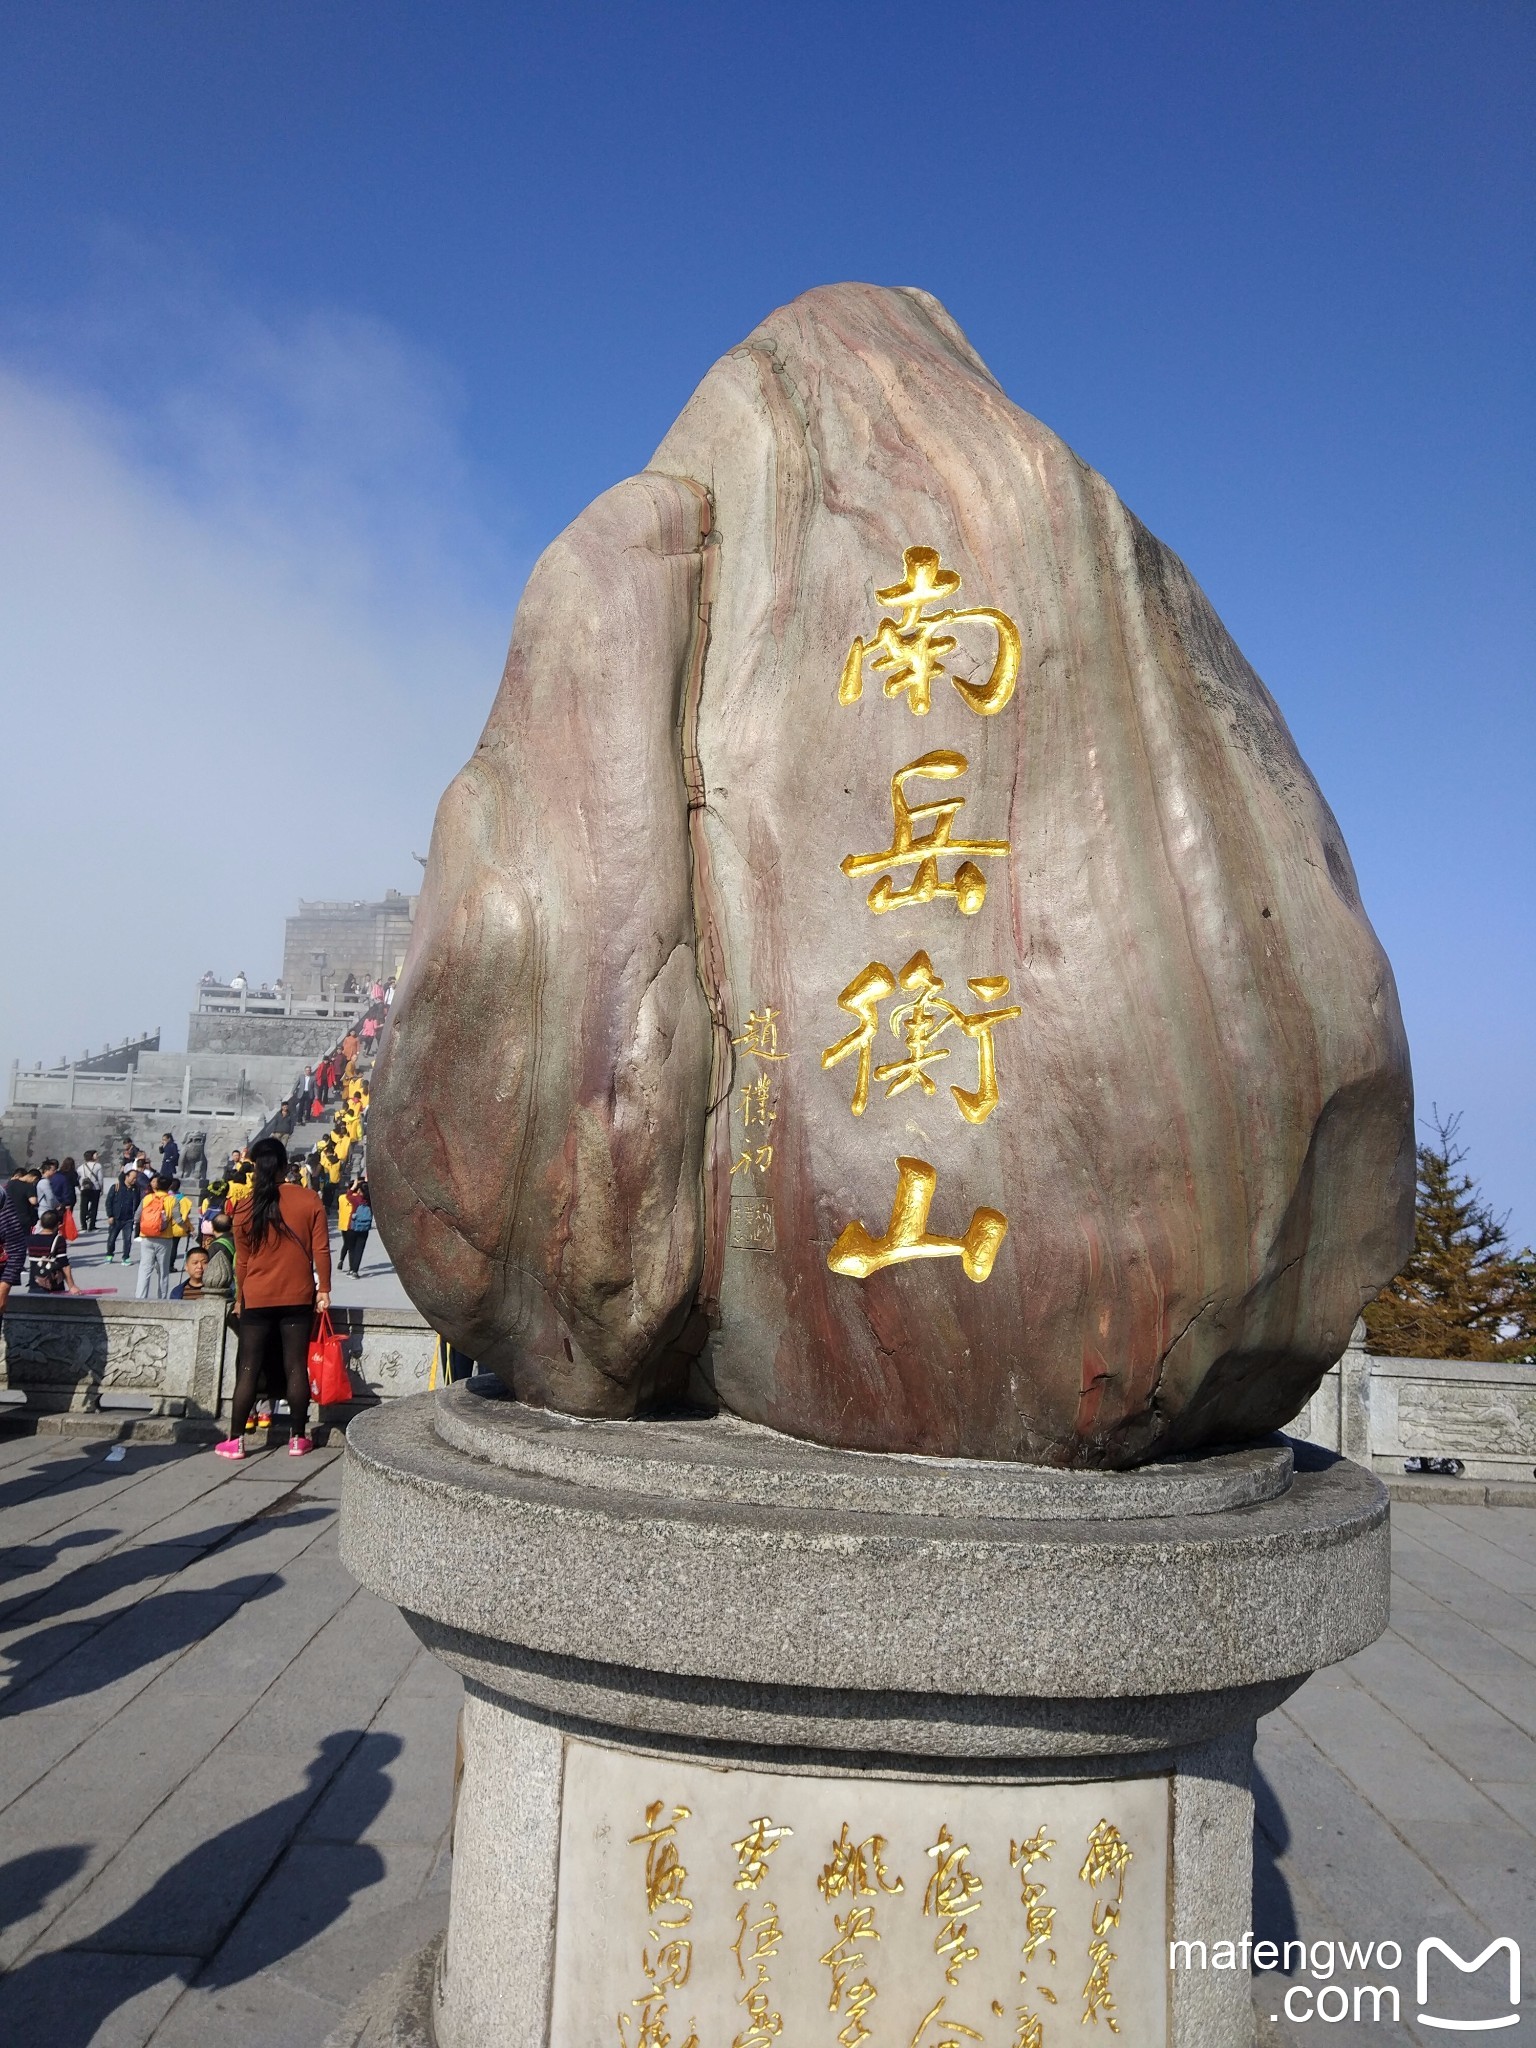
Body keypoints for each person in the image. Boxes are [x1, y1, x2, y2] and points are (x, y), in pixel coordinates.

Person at [216, 1136, 329, 1460]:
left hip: (257, 1296)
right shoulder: (309, 1200)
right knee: (296, 1367)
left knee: (249, 1367)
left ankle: (235, 1440)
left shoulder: (245, 1206)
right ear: (284, 1165)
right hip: (298, 1294)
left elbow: (243, 1260)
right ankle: (297, 1438)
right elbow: (320, 1250)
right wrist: (324, 1290)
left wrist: (240, 1297)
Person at [134, 1174, 177, 1300]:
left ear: (156, 1185)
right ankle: (162, 1298)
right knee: (163, 1271)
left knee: (145, 1269)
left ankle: (140, 1297)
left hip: (147, 1237)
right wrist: (188, 1229)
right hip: (165, 1238)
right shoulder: (172, 1200)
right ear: (169, 1186)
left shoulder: (147, 1198)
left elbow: (137, 1216)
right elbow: (178, 1219)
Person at [27, 1209, 81, 1294]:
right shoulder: (58, 1240)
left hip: (34, 1283)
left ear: (41, 1223)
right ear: (58, 1225)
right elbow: (64, 1265)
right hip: (53, 1285)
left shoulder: (31, 1239)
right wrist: (72, 1286)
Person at [104, 1170, 138, 1263]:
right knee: (112, 1238)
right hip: (116, 1218)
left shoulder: (136, 1189)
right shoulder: (116, 1187)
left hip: (129, 1219)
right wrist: (110, 1215)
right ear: (127, 1176)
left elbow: (138, 1203)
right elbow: (108, 1202)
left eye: (136, 1178)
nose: (135, 1180)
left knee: (127, 1239)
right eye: (133, 1177)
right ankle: (109, 1254)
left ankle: (126, 1257)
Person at [340, 1181, 372, 1277]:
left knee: (352, 1248)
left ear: (359, 1190)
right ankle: (355, 1271)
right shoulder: (370, 1200)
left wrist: (353, 1187)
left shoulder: (355, 1199)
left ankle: (351, 1269)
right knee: (359, 1249)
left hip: (353, 1227)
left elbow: (348, 1195)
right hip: (365, 1228)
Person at [78, 1151, 104, 1232]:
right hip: (95, 1188)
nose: (97, 1155)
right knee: (94, 1207)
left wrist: (80, 1187)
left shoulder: (80, 1167)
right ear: (92, 1156)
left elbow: (79, 1179)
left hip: (84, 1188)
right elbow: (100, 1178)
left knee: (83, 1207)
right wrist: (101, 1188)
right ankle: (92, 1225)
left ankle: (83, 1225)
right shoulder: (98, 1166)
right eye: (96, 1154)